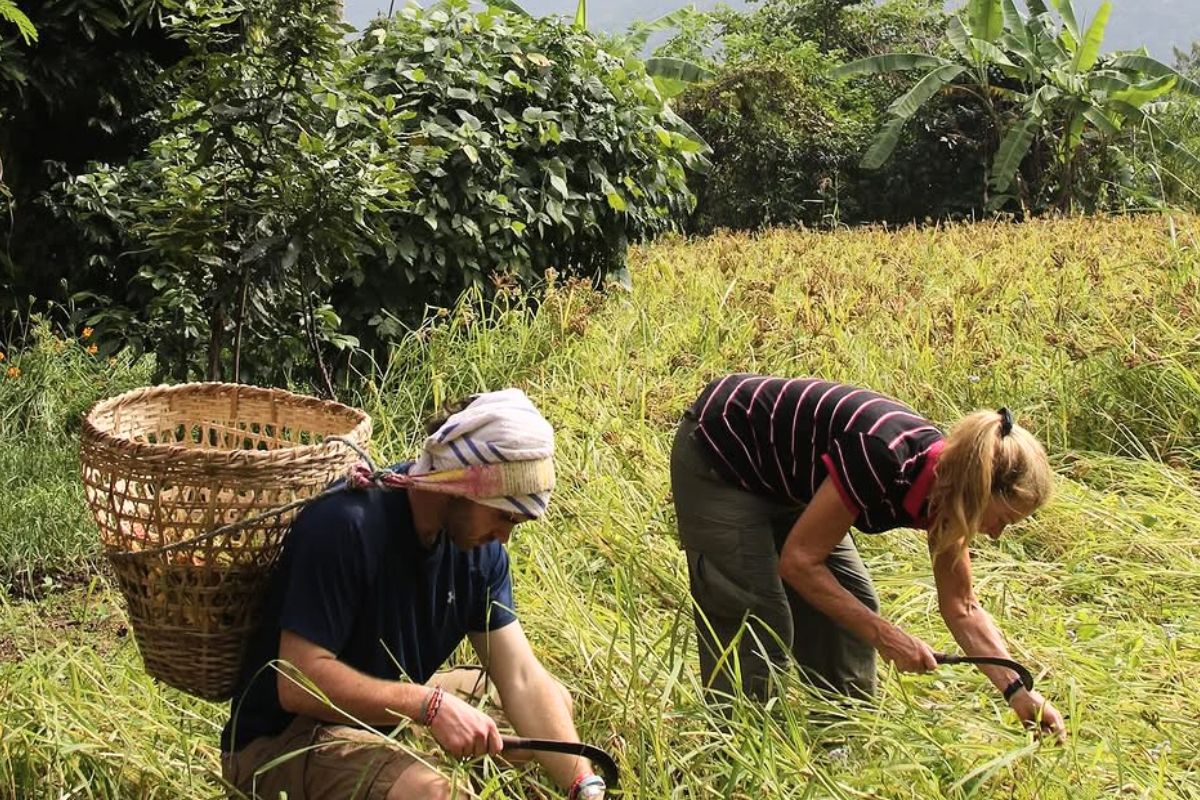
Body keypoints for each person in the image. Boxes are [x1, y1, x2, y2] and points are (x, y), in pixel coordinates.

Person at [221, 389, 607, 800]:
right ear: (459, 482)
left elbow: (522, 678)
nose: (505, 536)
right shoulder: (346, 526)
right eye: (502, 514)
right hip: (283, 741)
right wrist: (429, 707)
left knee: (554, 707)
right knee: (435, 794)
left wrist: (583, 783)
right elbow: (297, 684)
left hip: (381, 718)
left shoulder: (479, 554)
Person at [671, 373, 1066, 738]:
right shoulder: (881, 457)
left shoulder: (950, 491)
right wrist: (887, 636)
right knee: (757, 618)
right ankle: (743, 751)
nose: (996, 534)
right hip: (722, 453)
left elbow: (962, 606)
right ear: (978, 493)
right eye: (1003, 520)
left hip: (788, 475)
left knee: (852, 606)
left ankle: (841, 741)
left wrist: (1018, 691)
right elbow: (800, 563)